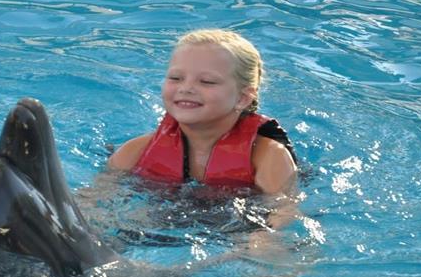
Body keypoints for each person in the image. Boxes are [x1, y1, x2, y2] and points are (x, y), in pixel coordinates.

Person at [108, 28, 298, 196]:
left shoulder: (268, 157)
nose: (186, 88)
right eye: (176, 78)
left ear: (242, 98)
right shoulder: (134, 152)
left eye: (207, 81)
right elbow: (97, 202)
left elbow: (282, 213)